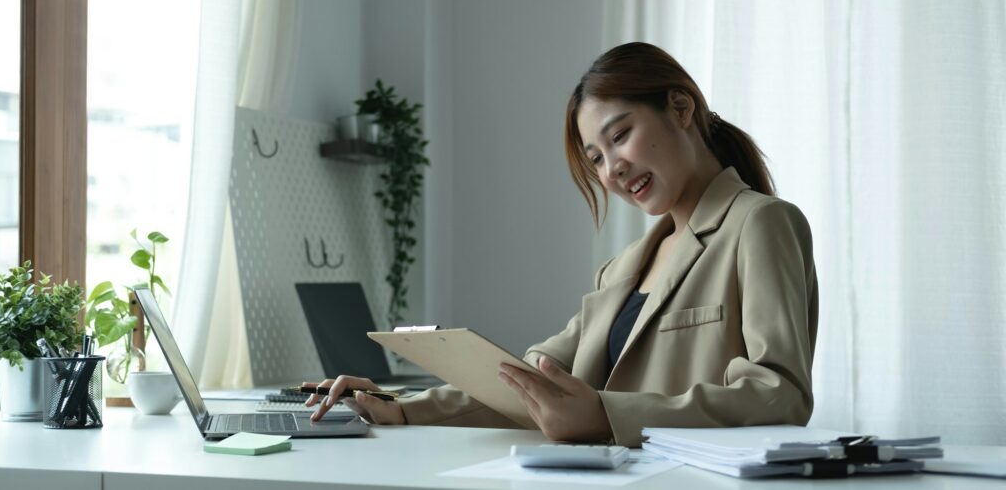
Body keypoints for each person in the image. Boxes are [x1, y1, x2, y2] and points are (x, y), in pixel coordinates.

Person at [304, 42, 818, 448]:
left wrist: (605, 416)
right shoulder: (620, 271)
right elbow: (524, 385)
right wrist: (396, 405)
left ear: (680, 107)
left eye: (620, 136)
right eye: (595, 158)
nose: (611, 170)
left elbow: (781, 395)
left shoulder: (760, 223)